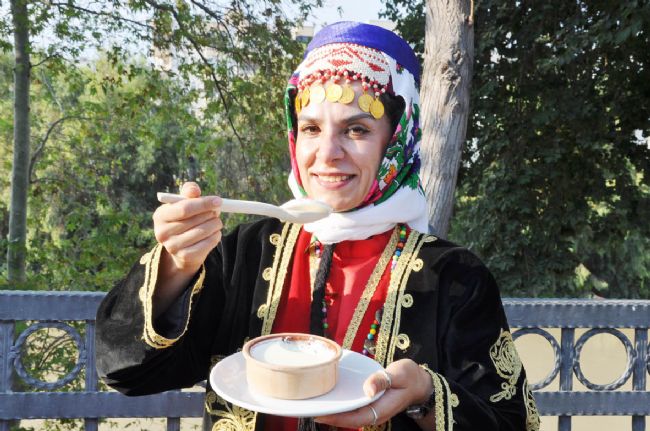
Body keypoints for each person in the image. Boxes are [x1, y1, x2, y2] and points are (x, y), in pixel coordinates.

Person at [96, 21, 540, 431]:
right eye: (310, 128)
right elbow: (125, 372)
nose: (327, 154)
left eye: (357, 130)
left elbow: (514, 423)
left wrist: (426, 396)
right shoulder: (246, 252)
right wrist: (176, 265)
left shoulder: (455, 276)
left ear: (396, 141)